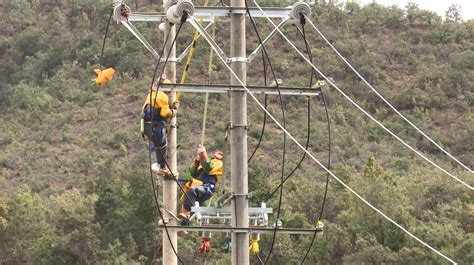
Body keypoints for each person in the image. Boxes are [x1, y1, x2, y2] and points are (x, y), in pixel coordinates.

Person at [141, 74, 178, 176]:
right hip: (155, 126)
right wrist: (173, 112)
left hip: (146, 126)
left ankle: (161, 165)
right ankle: (162, 167)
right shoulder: (163, 96)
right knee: (162, 145)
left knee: (158, 145)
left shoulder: (151, 94)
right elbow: (164, 113)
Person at [179, 144, 224, 223]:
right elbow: (193, 173)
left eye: (221, 154)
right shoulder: (209, 162)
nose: (218, 154)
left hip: (207, 188)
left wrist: (203, 153)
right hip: (200, 187)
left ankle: (191, 210)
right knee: (186, 195)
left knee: (192, 191)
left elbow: (208, 168)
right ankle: (185, 222)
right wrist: (196, 162)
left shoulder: (219, 163)